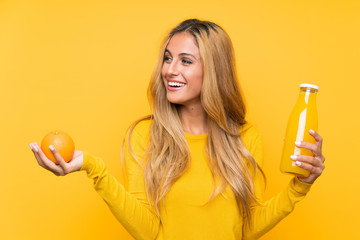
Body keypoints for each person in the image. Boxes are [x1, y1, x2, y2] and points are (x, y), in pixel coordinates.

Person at [29, 19, 325, 240]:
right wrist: (93, 168)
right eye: (168, 58)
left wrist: (300, 187)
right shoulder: (145, 136)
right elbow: (147, 232)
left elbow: (245, 229)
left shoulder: (245, 139)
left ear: (214, 70)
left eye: (186, 61)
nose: (170, 70)